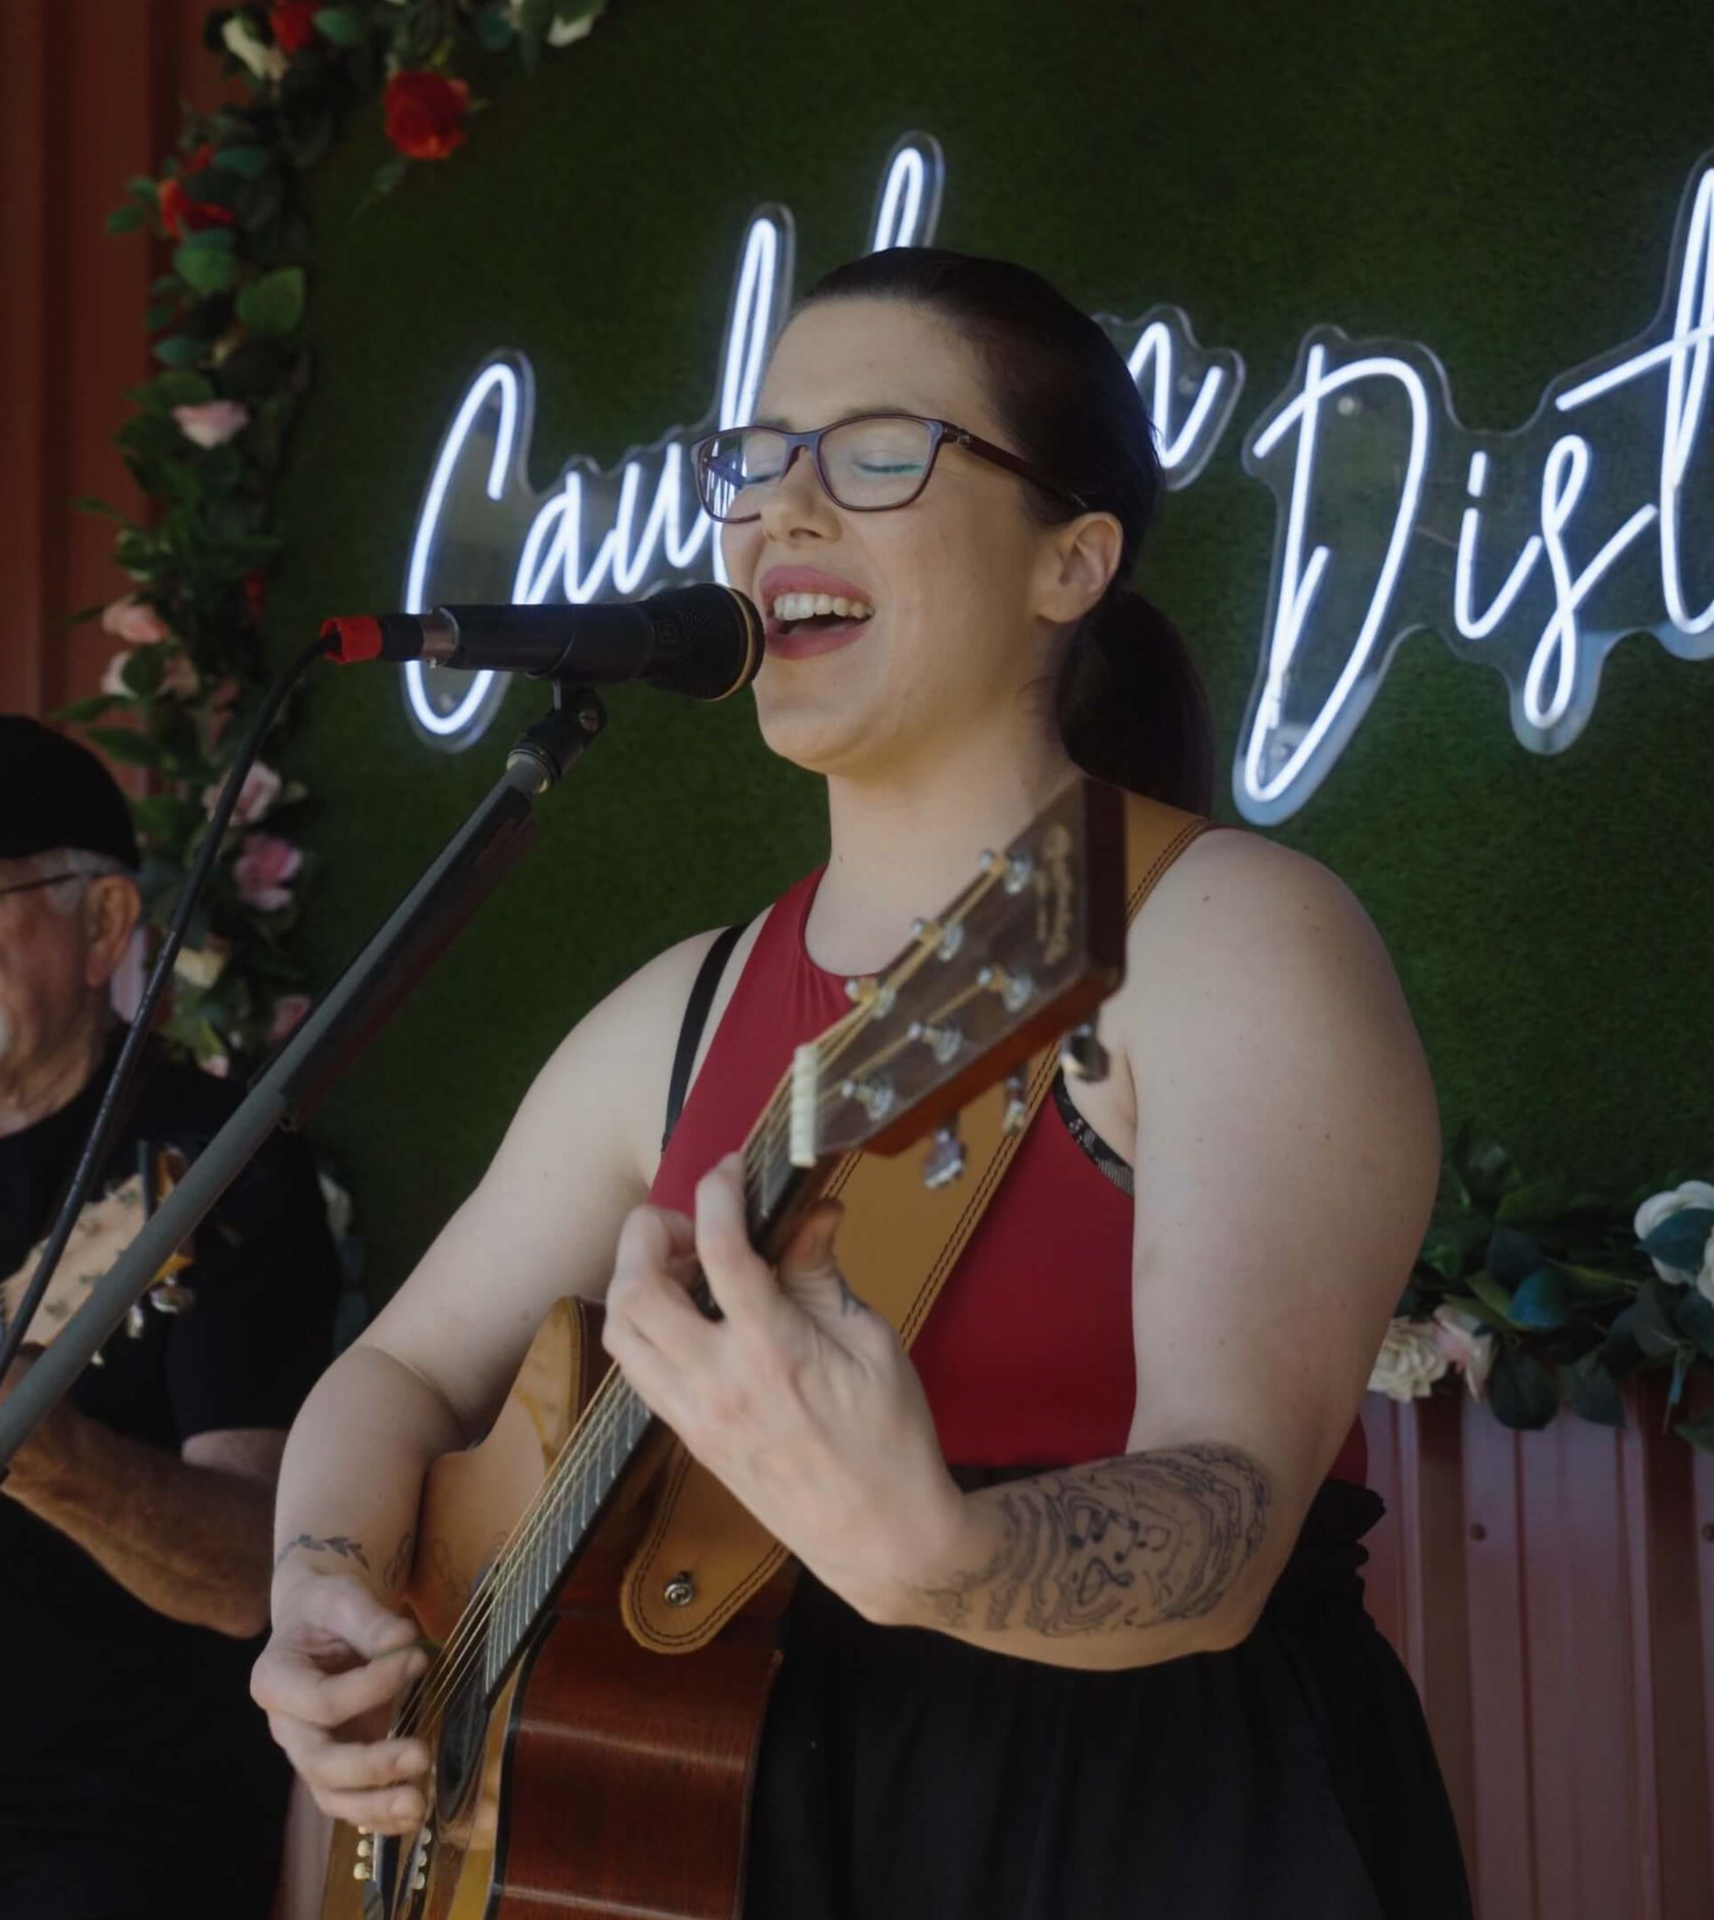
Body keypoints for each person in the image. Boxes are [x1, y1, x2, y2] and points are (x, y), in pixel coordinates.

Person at [251, 249, 1473, 1918]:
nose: (779, 511)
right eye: (752, 459)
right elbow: (396, 1370)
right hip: (710, 1798)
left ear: (1071, 561)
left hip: (1116, 1815)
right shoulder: (682, 1013)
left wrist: (946, 1562)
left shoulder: (1224, 935)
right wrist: (321, 1584)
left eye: (878, 450)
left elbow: (1234, 1513)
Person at [0, 712, 338, 1920]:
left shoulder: (211, 1166)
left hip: (104, 1825)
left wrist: (40, 1455)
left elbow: (255, 1573)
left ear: (103, 927)